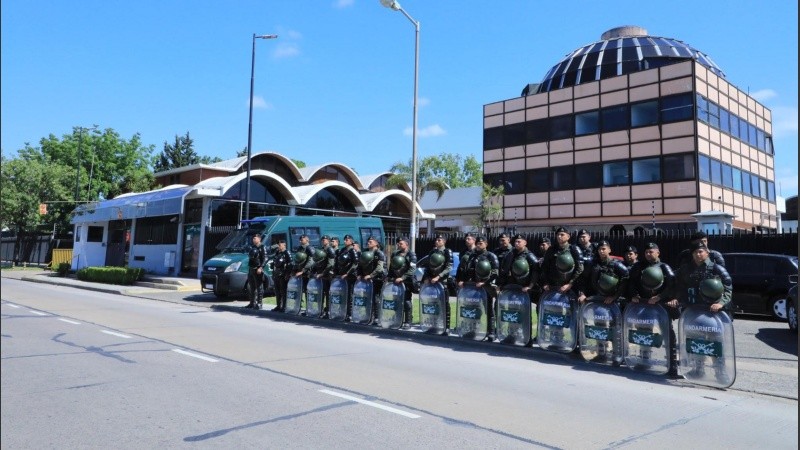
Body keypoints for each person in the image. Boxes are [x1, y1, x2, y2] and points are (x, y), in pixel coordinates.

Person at [669, 241, 733, 382]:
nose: (698, 255)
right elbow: (680, 287)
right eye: (695, 252)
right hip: (693, 311)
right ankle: (698, 370)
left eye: (700, 251)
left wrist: (721, 303)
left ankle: (720, 372)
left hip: (712, 313)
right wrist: (676, 299)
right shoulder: (686, 270)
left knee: (715, 343)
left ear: (707, 253)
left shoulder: (717, 269)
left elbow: (728, 287)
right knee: (695, 342)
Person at [628, 242, 680, 377]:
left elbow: (672, 283)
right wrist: (634, 295)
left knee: (667, 333)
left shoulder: (664, 267)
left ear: (658, 253)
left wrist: (660, 297)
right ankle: (644, 359)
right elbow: (631, 282)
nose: (648, 254)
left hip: (661, 306)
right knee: (644, 331)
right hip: (644, 305)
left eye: (651, 251)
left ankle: (672, 363)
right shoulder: (639, 267)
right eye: (646, 252)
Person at [578, 240, 629, 363]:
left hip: (612, 302)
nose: (601, 251)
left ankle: (617, 355)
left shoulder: (616, 265)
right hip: (597, 300)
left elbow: (626, 278)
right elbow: (584, 279)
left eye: (604, 249)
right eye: (600, 249)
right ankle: (601, 353)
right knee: (599, 327)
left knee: (615, 328)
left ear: (609, 250)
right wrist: (582, 293)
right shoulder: (593, 264)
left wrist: (615, 296)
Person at [539, 227, 584, 347]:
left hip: (571, 289)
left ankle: (575, 342)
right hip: (554, 288)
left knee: (573, 315)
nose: (559, 237)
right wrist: (545, 283)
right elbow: (545, 267)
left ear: (568, 236)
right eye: (558, 234)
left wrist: (570, 284)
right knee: (555, 314)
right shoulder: (551, 250)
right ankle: (556, 339)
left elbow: (580, 268)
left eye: (562, 234)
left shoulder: (574, 249)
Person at [498, 233, 539, 346]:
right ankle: (512, 335)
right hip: (512, 288)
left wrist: (530, 286)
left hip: (524, 289)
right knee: (511, 312)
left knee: (524, 313)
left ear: (525, 243)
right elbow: (505, 270)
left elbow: (536, 271)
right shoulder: (511, 254)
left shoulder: (529, 255)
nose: (516, 243)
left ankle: (527, 338)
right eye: (515, 241)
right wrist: (502, 285)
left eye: (519, 241)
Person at [459, 235, 500, 341]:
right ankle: (473, 329)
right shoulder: (472, 256)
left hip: (486, 287)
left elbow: (495, 272)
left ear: (486, 244)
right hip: (473, 287)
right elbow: (466, 269)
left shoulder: (491, 256)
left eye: (481, 243)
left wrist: (484, 283)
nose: (478, 245)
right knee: (473, 308)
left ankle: (491, 332)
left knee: (488, 310)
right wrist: (463, 280)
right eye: (477, 243)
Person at [422, 233, 454, 335]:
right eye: (436, 240)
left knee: (444, 304)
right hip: (432, 282)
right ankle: (433, 325)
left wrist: (438, 277)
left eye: (439, 240)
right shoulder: (432, 252)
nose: (437, 241)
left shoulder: (447, 251)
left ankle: (446, 327)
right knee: (432, 304)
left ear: (444, 242)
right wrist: (427, 278)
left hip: (442, 282)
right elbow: (428, 266)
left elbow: (449, 267)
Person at [356, 236, 386, 325]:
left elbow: (380, 268)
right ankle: (367, 316)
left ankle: (377, 318)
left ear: (376, 243)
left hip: (377, 279)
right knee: (366, 298)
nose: (368, 243)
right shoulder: (365, 252)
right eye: (368, 241)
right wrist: (359, 274)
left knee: (376, 298)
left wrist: (371, 275)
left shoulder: (379, 253)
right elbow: (360, 264)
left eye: (371, 241)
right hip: (366, 280)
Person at [389, 236, 417, 327]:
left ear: (406, 244)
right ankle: (397, 319)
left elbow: (412, 269)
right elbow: (392, 267)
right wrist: (389, 277)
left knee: (406, 301)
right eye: (398, 243)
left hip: (406, 282)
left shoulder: (411, 255)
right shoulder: (395, 254)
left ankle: (408, 321)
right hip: (396, 281)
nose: (399, 245)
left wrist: (403, 278)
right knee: (395, 300)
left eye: (401, 243)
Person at [334, 234, 360, 321]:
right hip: (341, 276)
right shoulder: (342, 250)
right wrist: (337, 273)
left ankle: (350, 314)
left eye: (347, 240)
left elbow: (355, 264)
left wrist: (347, 273)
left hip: (350, 277)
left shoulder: (353, 251)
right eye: (344, 240)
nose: (345, 241)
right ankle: (342, 312)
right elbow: (338, 262)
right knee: (341, 294)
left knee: (350, 295)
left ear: (351, 241)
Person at [289, 234, 316, 314]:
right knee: (298, 290)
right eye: (300, 239)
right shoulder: (300, 248)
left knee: (308, 291)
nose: (300, 241)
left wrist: (303, 270)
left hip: (307, 273)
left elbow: (311, 261)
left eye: (302, 239)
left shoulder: (309, 248)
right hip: (299, 273)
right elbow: (297, 260)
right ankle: (298, 307)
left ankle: (309, 309)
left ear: (307, 240)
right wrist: (293, 270)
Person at [314, 235, 337, 319]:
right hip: (320, 275)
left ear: (329, 241)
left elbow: (331, 264)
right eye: (322, 239)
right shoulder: (322, 250)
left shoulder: (330, 249)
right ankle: (320, 311)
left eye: (325, 239)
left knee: (328, 294)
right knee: (321, 293)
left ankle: (328, 311)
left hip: (327, 276)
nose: (323, 240)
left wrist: (322, 273)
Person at [245, 233, 267, 310]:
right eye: (253, 238)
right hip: (251, 269)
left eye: (255, 238)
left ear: (259, 239)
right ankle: (252, 303)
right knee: (252, 287)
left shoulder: (262, 247)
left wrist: (261, 267)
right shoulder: (253, 247)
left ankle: (259, 303)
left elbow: (265, 258)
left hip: (258, 269)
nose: (253, 240)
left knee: (259, 287)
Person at [270, 239, 291, 312]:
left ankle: (284, 306)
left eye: (280, 245)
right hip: (276, 274)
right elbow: (274, 261)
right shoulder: (277, 253)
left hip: (283, 274)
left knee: (283, 291)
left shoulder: (286, 252)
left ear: (284, 245)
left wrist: (287, 274)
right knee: (277, 291)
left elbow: (290, 263)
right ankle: (278, 305)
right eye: (278, 245)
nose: (278, 246)